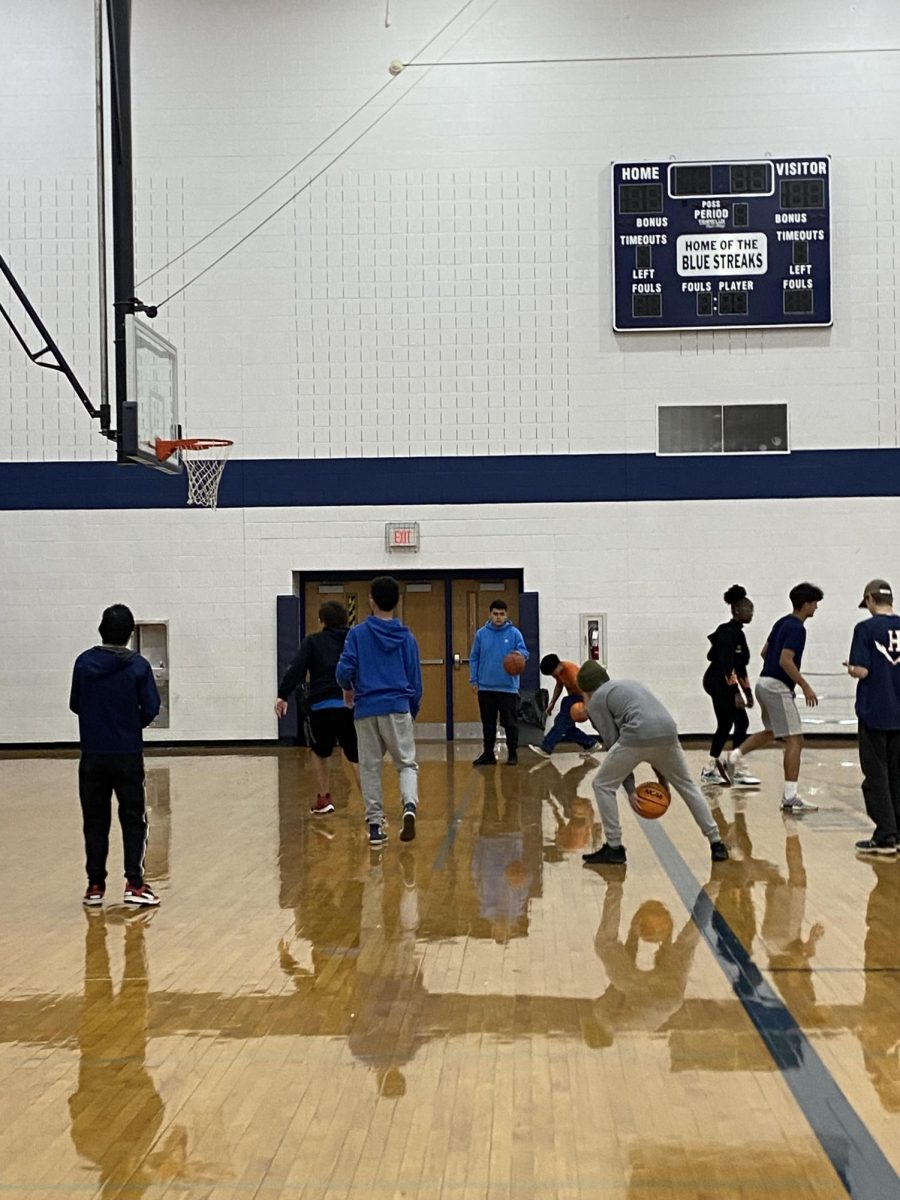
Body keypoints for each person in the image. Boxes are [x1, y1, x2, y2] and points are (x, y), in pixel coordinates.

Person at [575, 660, 729, 865]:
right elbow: (652, 728)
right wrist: (663, 779)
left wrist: (630, 790)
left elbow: (613, 743)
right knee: (688, 786)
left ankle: (614, 847)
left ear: (585, 689)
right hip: (668, 732)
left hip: (636, 734)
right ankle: (716, 842)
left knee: (602, 784)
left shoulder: (596, 701)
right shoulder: (629, 685)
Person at [69, 604, 161, 907]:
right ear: (129, 634)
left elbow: (76, 704)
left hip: (93, 754)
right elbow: (150, 708)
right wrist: (131, 725)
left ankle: (95, 886)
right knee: (133, 818)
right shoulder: (139, 667)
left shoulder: (84, 663)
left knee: (94, 820)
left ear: (101, 630)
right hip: (127, 754)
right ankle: (134, 883)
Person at [720, 582, 823, 812]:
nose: (816, 607)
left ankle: (733, 757)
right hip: (777, 687)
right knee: (795, 740)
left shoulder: (781, 622)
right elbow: (785, 660)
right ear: (806, 604)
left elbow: (765, 652)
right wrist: (805, 686)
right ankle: (790, 796)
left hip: (763, 683)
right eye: (815, 603)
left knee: (773, 732)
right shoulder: (798, 628)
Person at [336, 576, 422, 848]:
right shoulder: (407, 638)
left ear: (371, 600)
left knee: (370, 768)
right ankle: (409, 806)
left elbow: (342, 672)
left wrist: (348, 687)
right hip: (397, 706)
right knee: (406, 764)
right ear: (397, 601)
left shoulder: (357, 634)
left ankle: (375, 826)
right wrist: (411, 710)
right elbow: (415, 680)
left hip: (366, 709)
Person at [275, 600, 361, 815]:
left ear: (322, 620)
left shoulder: (313, 642)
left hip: (321, 706)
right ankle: (372, 805)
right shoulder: (355, 640)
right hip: (350, 705)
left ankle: (324, 798)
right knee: (355, 755)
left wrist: (282, 695)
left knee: (319, 751)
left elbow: (296, 669)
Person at [845, 578, 900, 856]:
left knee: (876, 773)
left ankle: (885, 836)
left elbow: (862, 670)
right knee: (897, 773)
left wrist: (852, 668)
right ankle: (898, 831)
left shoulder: (865, 629)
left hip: (875, 710)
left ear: (869, 600)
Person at [700, 585, 760, 787]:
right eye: (748, 610)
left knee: (727, 724)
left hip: (725, 681)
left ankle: (711, 768)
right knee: (739, 722)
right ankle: (735, 766)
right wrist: (736, 692)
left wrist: (748, 692)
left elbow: (740, 668)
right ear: (736, 611)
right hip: (717, 681)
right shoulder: (727, 633)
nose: (751, 614)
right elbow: (727, 666)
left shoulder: (738, 634)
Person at [469, 598, 528, 767]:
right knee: (488, 723)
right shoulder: (481, 634)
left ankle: (513, 754)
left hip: (508, 687)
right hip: (486, 686)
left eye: (502, 614)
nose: (498, 617)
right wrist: (474, 679)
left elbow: (525, 652)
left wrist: (519, 656)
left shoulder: (515, 633)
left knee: (510, 722)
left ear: (506, 615)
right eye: (495, 614)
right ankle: (488, 754)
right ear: (490, 614)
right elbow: (474, 657)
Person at [531, 654, 600, 759]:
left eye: (552, 673)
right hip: (571, 697)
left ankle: (546, 747)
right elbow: (559, 686)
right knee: (566, 728)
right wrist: (552, 703)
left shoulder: (571, 672)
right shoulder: (559, 672)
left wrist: (587, 706)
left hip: (581, 696)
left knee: (561, 721)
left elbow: (584, 689)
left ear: (558, 666)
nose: (552, 675)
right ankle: (590, 744)